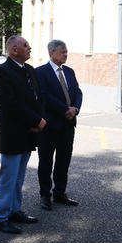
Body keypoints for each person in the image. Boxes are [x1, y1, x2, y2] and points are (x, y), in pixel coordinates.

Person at [0, 35, 44, 234]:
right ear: (14, 50)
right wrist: (35, 120)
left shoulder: (30, 70)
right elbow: (9, 103)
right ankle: (0, 218)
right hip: (13, 133)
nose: (29, 48)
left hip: (29, 131)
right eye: (25, 45)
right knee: (9, 177)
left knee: (19, 177)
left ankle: (14, 210)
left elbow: (39, 97)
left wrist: (38, 120)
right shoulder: (3, 72)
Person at [36, 39, 83, 211]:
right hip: (49, 124)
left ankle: (60, 193)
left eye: (66, 51)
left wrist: (75, 108)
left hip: (68, 124)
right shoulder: (40, 72)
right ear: (51, 53)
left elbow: (77, 91)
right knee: (46, 161)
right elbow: (45, 95)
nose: (65, 54)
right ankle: (45, 195)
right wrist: (65, 110)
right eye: (62, 52)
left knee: (64, 160)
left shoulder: (69, 71)